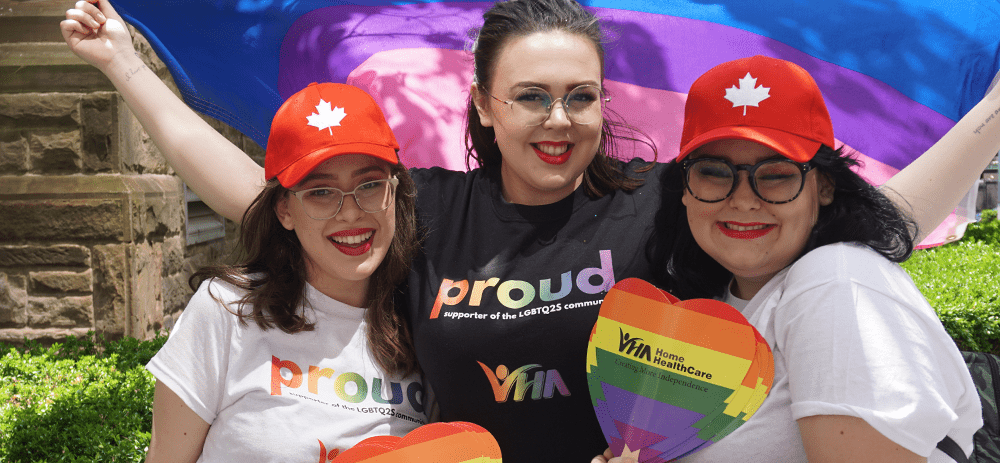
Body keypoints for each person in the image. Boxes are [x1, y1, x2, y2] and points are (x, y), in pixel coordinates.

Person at [62, 0, 999, 461]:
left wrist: (994, 108)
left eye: (580, 95)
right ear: (484, 104)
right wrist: (125, 68)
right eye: (532, 96)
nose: (558, 119)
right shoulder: (431, 207)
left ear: (604, 102)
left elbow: (861, 214)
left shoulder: (661, 200)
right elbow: (265, 195)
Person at [599, 55, 981, 463]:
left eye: (776, 174)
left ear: (825, 186)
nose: (743, 200)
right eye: (713, 171)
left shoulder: (835, 279)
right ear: (685, 189)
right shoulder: (720, 306)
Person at [137, 81, 424, 459]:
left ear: (394, 191)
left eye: (369, 184)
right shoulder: (228, 308)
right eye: (321, 192)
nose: (351, 212)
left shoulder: (428, 322)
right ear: (285, 210)